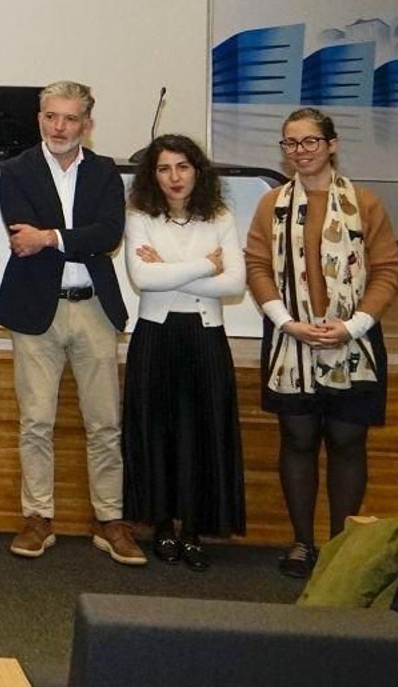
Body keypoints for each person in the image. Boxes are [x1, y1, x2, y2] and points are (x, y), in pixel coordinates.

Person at [243, 108, 398, 578]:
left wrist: (353, 325)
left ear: (331, 145)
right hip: (290, 339)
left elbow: (388, 270)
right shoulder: (271, 204)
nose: (300, 152)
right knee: (298, 437)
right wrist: (286, 322)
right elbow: (256, 267)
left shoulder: (366, 204)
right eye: (291, 143)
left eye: (310, 142)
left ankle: (338, 549)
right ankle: (302, 543)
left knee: (348, 442)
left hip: (355, 341)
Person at [0, 80, 144, 565]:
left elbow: (109, 234)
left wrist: (52, 236)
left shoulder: (104, 173)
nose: (59, 127)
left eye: (70, 118)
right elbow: (21, 236)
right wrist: (69, 238)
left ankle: (110, 519)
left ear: (87, 124)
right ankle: (38, 517)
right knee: (35, 422)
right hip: (36, 310)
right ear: (39, 118)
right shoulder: (16, 171)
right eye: (51, 117)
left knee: (105, 423)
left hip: (95, 309)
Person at [121, 135, 247, 572]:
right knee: (156, 430)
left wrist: (169, 273)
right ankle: (162, 526)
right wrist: (206, 265)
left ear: (198, 171)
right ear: (152, 176)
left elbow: (234, 284)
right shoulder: (140, 215)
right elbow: (142, 278)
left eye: (183, 167)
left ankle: (193, 529)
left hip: (205, 336)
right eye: (163, 169)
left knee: (201, 432)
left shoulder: (220, 216)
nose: (174, 178)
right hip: (155, 335)